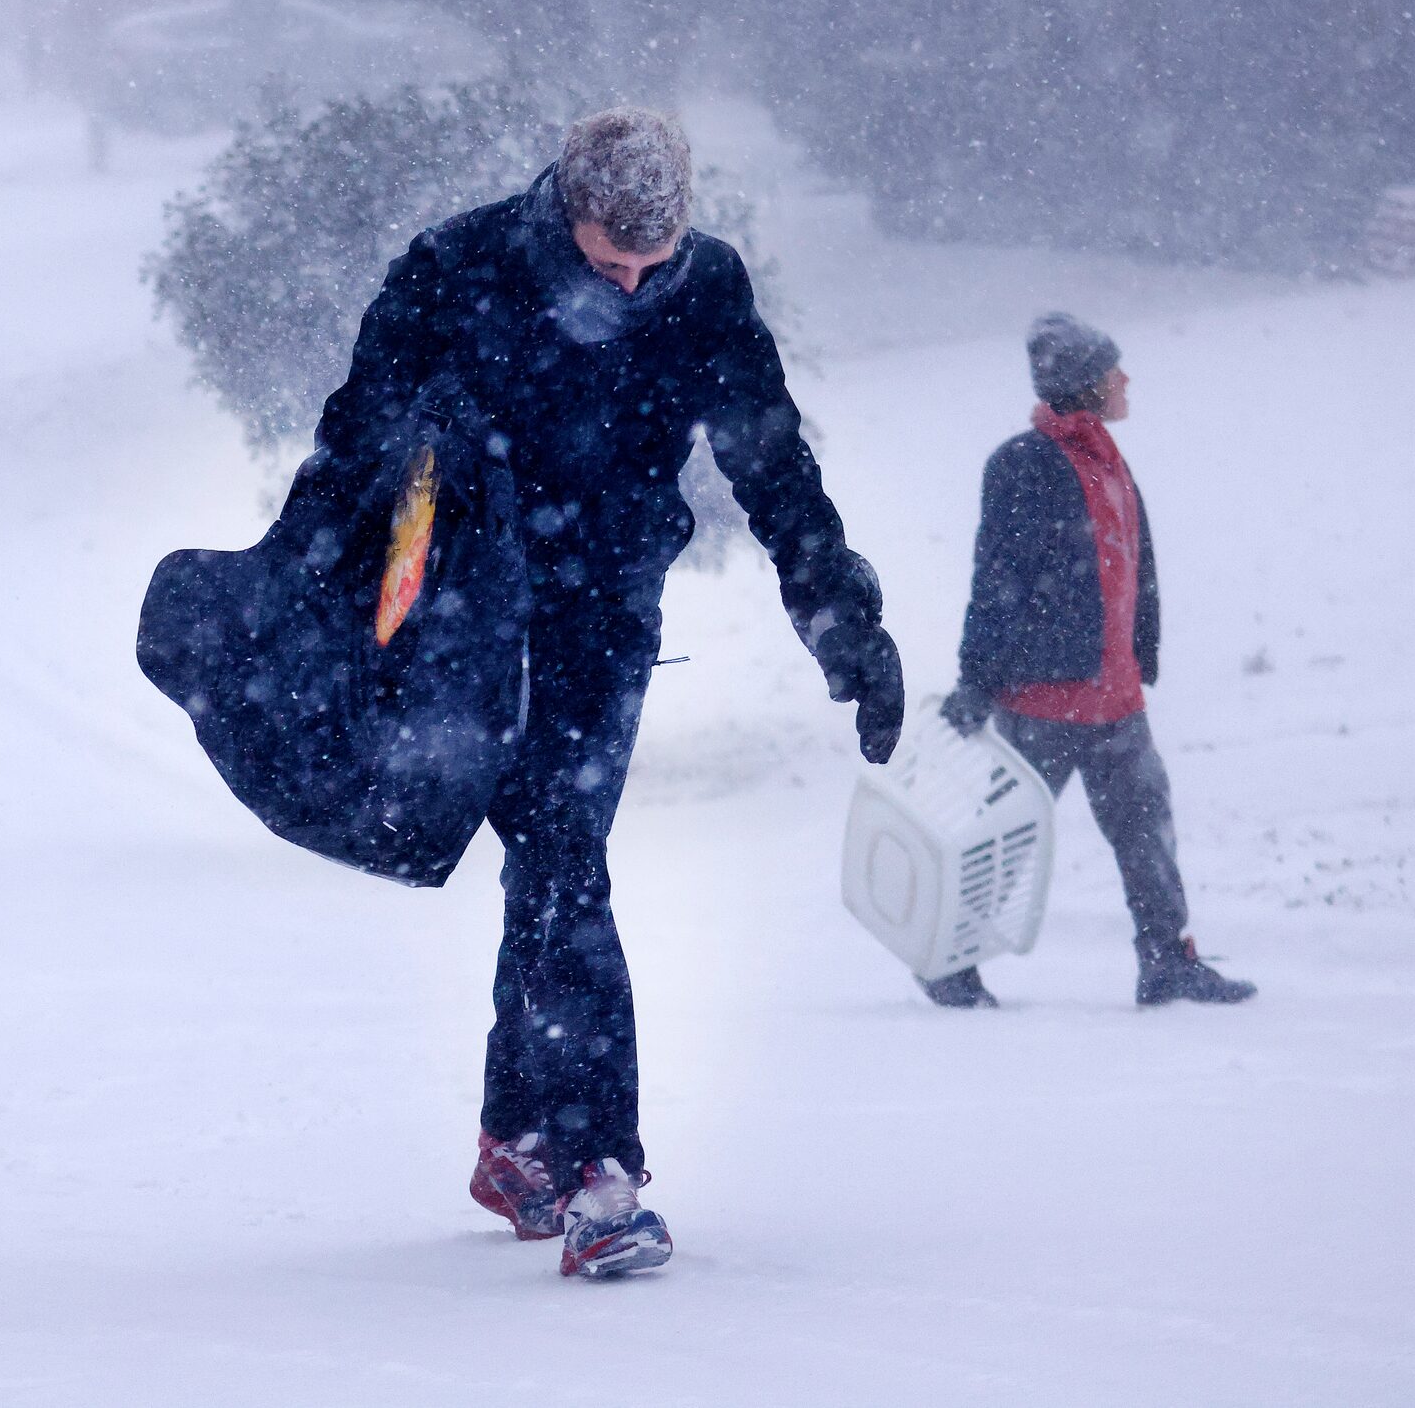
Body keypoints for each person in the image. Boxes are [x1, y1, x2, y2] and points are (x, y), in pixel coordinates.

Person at [306, 107, 904, 1279]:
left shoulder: (704, 286)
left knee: (557, 851)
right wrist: (324, 615)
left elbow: (770, 459)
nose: (630, 286)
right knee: (561, 856)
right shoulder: (452, 268)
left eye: (651, 264)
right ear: (559, 216)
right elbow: (350, 450)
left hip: (605, 615)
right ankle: (599, 1173)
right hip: (468, 618)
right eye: (604, 264)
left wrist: (844, 623)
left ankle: (524, 1135)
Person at [935, 315, 1255, 1011]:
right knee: (1006, 838)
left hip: (1116, 696)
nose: (1125, 379)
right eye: (1114, 370)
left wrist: (1140, 655)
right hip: (1043, 700)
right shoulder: (1021, 463)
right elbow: (995, 578)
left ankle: (1167, 964)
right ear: (1086, 383)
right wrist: (975, 678)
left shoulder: (1105, 456)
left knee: (1147, 838)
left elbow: (1129, 566)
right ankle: (946, 961)